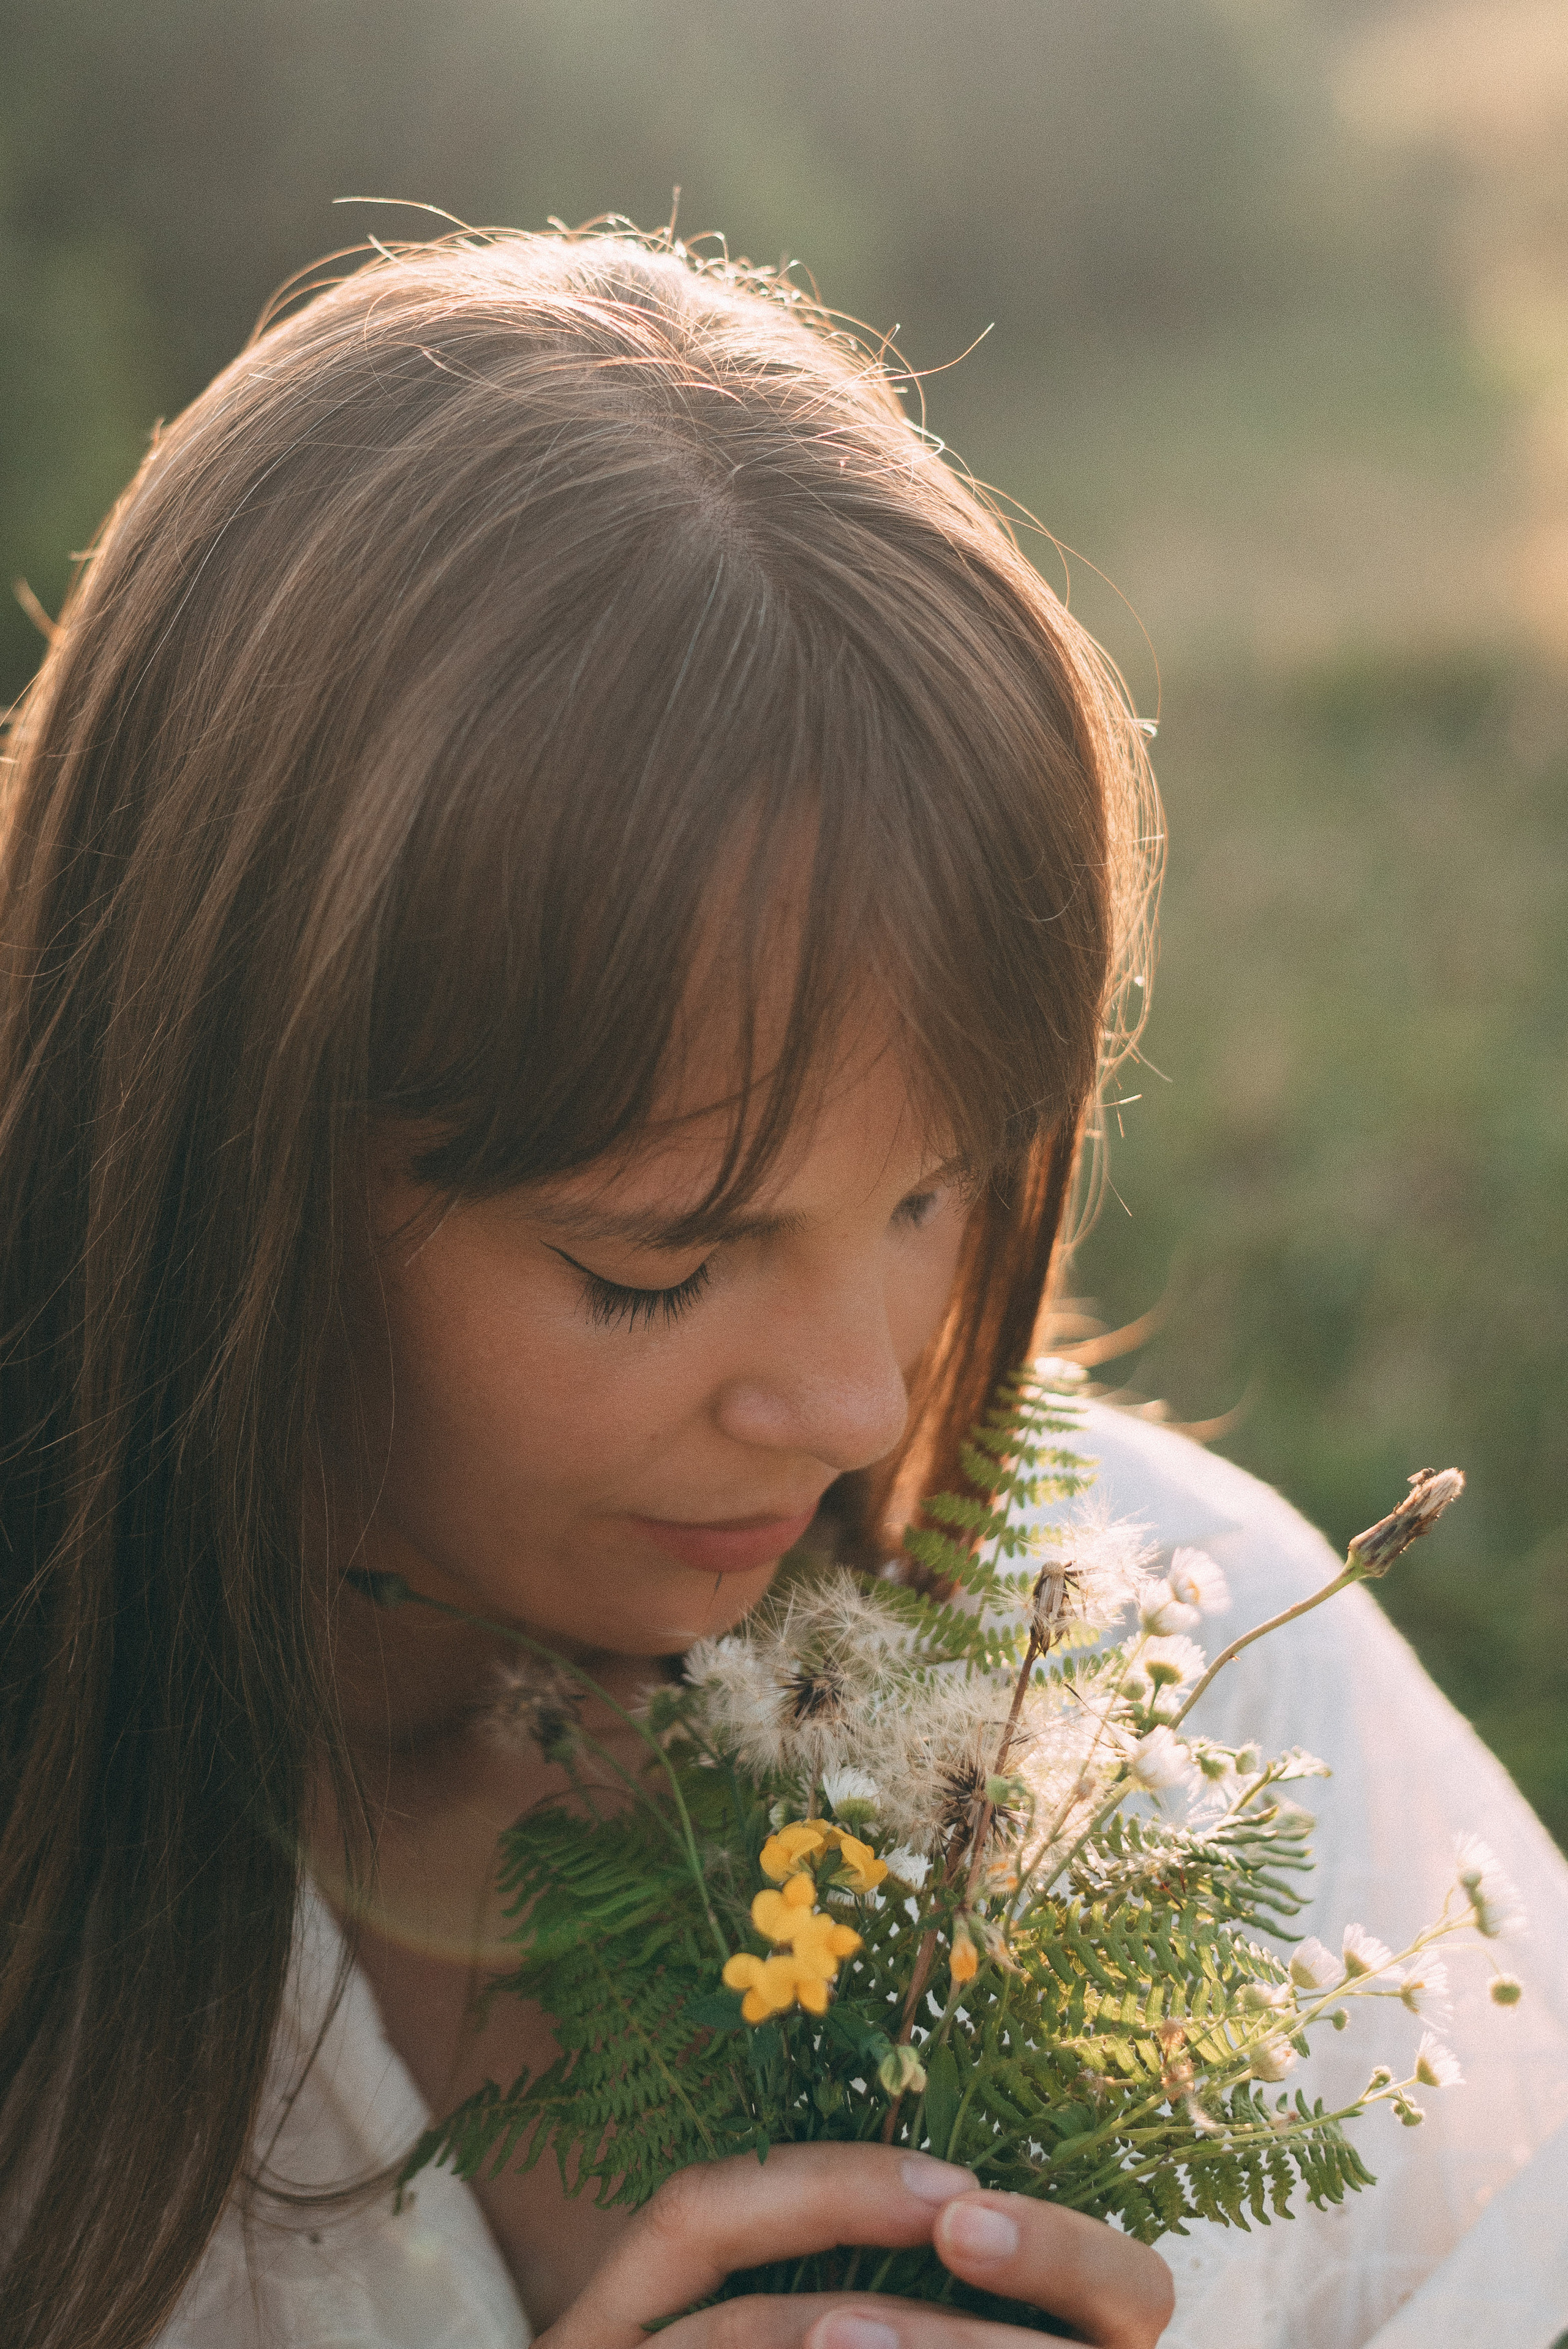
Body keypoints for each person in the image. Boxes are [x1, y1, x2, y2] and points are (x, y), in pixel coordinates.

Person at [4, 227, 1564, 2349]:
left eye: (933, 1193)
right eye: (658, 1264)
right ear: (219, 1156)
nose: (858, 1404)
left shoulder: (1177, 1678)